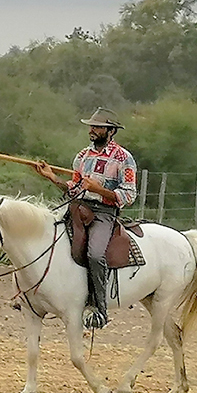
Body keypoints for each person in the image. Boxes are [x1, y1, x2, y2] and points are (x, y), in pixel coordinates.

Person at [34, 107, 138, 330]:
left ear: (110, 131)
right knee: (46, 236)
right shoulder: (83, 156)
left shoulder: (124, 158)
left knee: (95, 254)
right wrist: (52, 177)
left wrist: (100, 190)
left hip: (104, 213)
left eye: (97, 127)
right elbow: (74, 188)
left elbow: (129, 195)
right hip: (78, 206)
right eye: (91, 126)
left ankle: (100, 310)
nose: (92, 130)